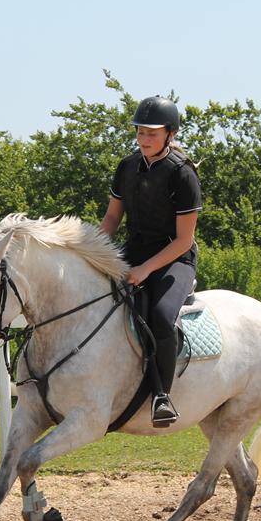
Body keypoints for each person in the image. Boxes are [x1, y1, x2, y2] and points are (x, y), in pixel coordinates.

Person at [100, 95, 200, 427]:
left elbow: (184, 239)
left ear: (170, 134)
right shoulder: (126, 167)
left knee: (158, 316)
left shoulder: (182, 175)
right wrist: (92, 250)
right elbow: (113, 218)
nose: (143, 139)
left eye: (151, 134)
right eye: (140, 133)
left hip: (175, 259)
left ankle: (161, 396)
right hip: (133, 251)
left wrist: (145, 270)